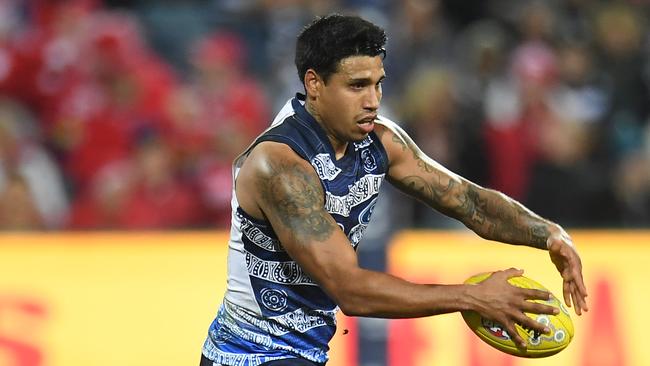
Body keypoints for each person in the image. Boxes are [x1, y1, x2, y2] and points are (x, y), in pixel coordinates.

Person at [200, 14, 588, 366]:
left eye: (377, 84)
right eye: (356, 86)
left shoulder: (379, 141)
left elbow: (471, 203)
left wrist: (550, 234)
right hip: (248, 356)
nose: (373, 101)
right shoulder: (281, 166)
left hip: (302, 354)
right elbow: (350, 290)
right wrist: (472, 297)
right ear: (314, 84)